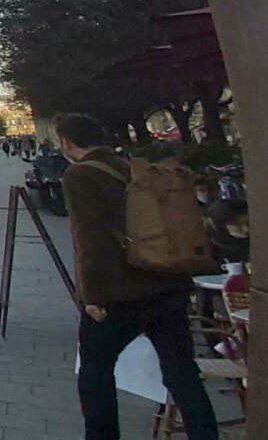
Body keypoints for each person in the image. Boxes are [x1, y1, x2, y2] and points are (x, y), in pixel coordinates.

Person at [56, 113, 218, 440]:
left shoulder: (80, 175)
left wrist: (93, 297)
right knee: (182, 374)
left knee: (95, 376)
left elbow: (90, 240)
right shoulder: (134, 167)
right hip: (167, 284)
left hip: (120, 293)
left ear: (66, 143)